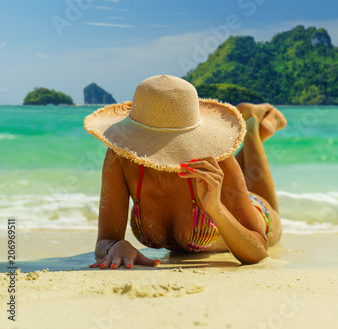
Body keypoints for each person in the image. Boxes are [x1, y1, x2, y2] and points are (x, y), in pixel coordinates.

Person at [84, 75, 287, 268]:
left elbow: (260, 250)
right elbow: (105, 240)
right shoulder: (122, 157)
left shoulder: (215, 158)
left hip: (257, 216)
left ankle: (252, 131)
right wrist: (116, 246)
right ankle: (254, 129)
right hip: (224, 194)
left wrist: (217, 209)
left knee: (267, 202)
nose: (154, 147)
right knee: (239, 179)